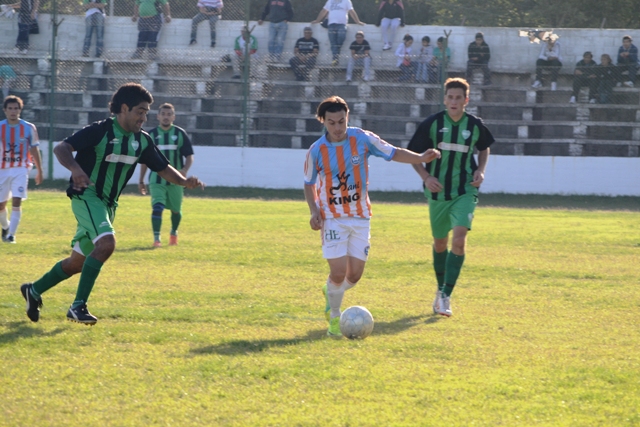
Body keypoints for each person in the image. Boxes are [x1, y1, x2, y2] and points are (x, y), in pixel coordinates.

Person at [19, 83, 205, 326]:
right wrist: (76, 170)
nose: (144, 117)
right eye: (140, 111)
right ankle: (78, 306)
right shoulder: (100, 131)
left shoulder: (142, 140)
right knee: (107, 243)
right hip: (87, 197)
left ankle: (33, 290)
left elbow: (162, 167)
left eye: (146, 112)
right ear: (124, 108)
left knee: (77, 263)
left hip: (108, 205)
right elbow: (61, 148)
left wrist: (183, 181)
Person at [303, 96, 440, 336]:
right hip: (332, 217)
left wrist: (419, 158)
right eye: (332, 123)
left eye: (342, 121)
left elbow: (393, 152)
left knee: (354, 275)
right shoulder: (316, 151)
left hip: (360, 216)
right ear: (323, 121)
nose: (337, 128)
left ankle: (331, 291)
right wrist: (314, 211)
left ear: (347, 118)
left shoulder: (362, 139)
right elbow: (309, 183)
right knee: (338, 272)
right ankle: (334, 317)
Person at [407, 78, 494, 317]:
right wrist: (426, 177)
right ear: (445, 99)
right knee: (440, 243)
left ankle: (446, 295)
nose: (454, 101)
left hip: (465, 190)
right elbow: (414, 155)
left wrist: (481, 170)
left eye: (459, 98)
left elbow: (484, 147)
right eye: (450, 97)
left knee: (459, 239)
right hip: (438, 192)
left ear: (466, 100)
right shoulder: (432, 124)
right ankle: (440, 289)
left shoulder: (475, 125)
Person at [139, 103, 194, 247]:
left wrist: (184, 171)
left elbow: (189, 156)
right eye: (163, 114)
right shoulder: (151, 135)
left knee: (176, 210)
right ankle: (157, 239)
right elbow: (145, 160)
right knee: (157, 207)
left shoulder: (180, 134)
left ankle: (173, 233)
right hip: (156, 179)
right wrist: (141, 180)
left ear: (173, 117)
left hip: (176, 180)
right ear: (158, 116)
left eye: (169, 114)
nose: (166, 117)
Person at [0, 95, 43, 244]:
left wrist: (40, 170)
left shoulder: (29, 128)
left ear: (20, 110)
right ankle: (5, 227)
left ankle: (11, 235)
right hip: (2, 170)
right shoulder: (0, 127)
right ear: (5, 110)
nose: (13, 111)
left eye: (16, 108)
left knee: (17, 200)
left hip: (21, 168)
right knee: (1, 205)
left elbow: (34, 149)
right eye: (10, 108)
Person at [311, 0, 364, 66]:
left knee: (341, 37)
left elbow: (351, 11)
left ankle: (336, 52)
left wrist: (357, 21)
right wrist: (317, 20)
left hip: (341, 24)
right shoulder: (330, 1)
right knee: (333, 42)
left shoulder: (346, 1)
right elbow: (324, 11)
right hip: (331, 24)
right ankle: (335, 59)